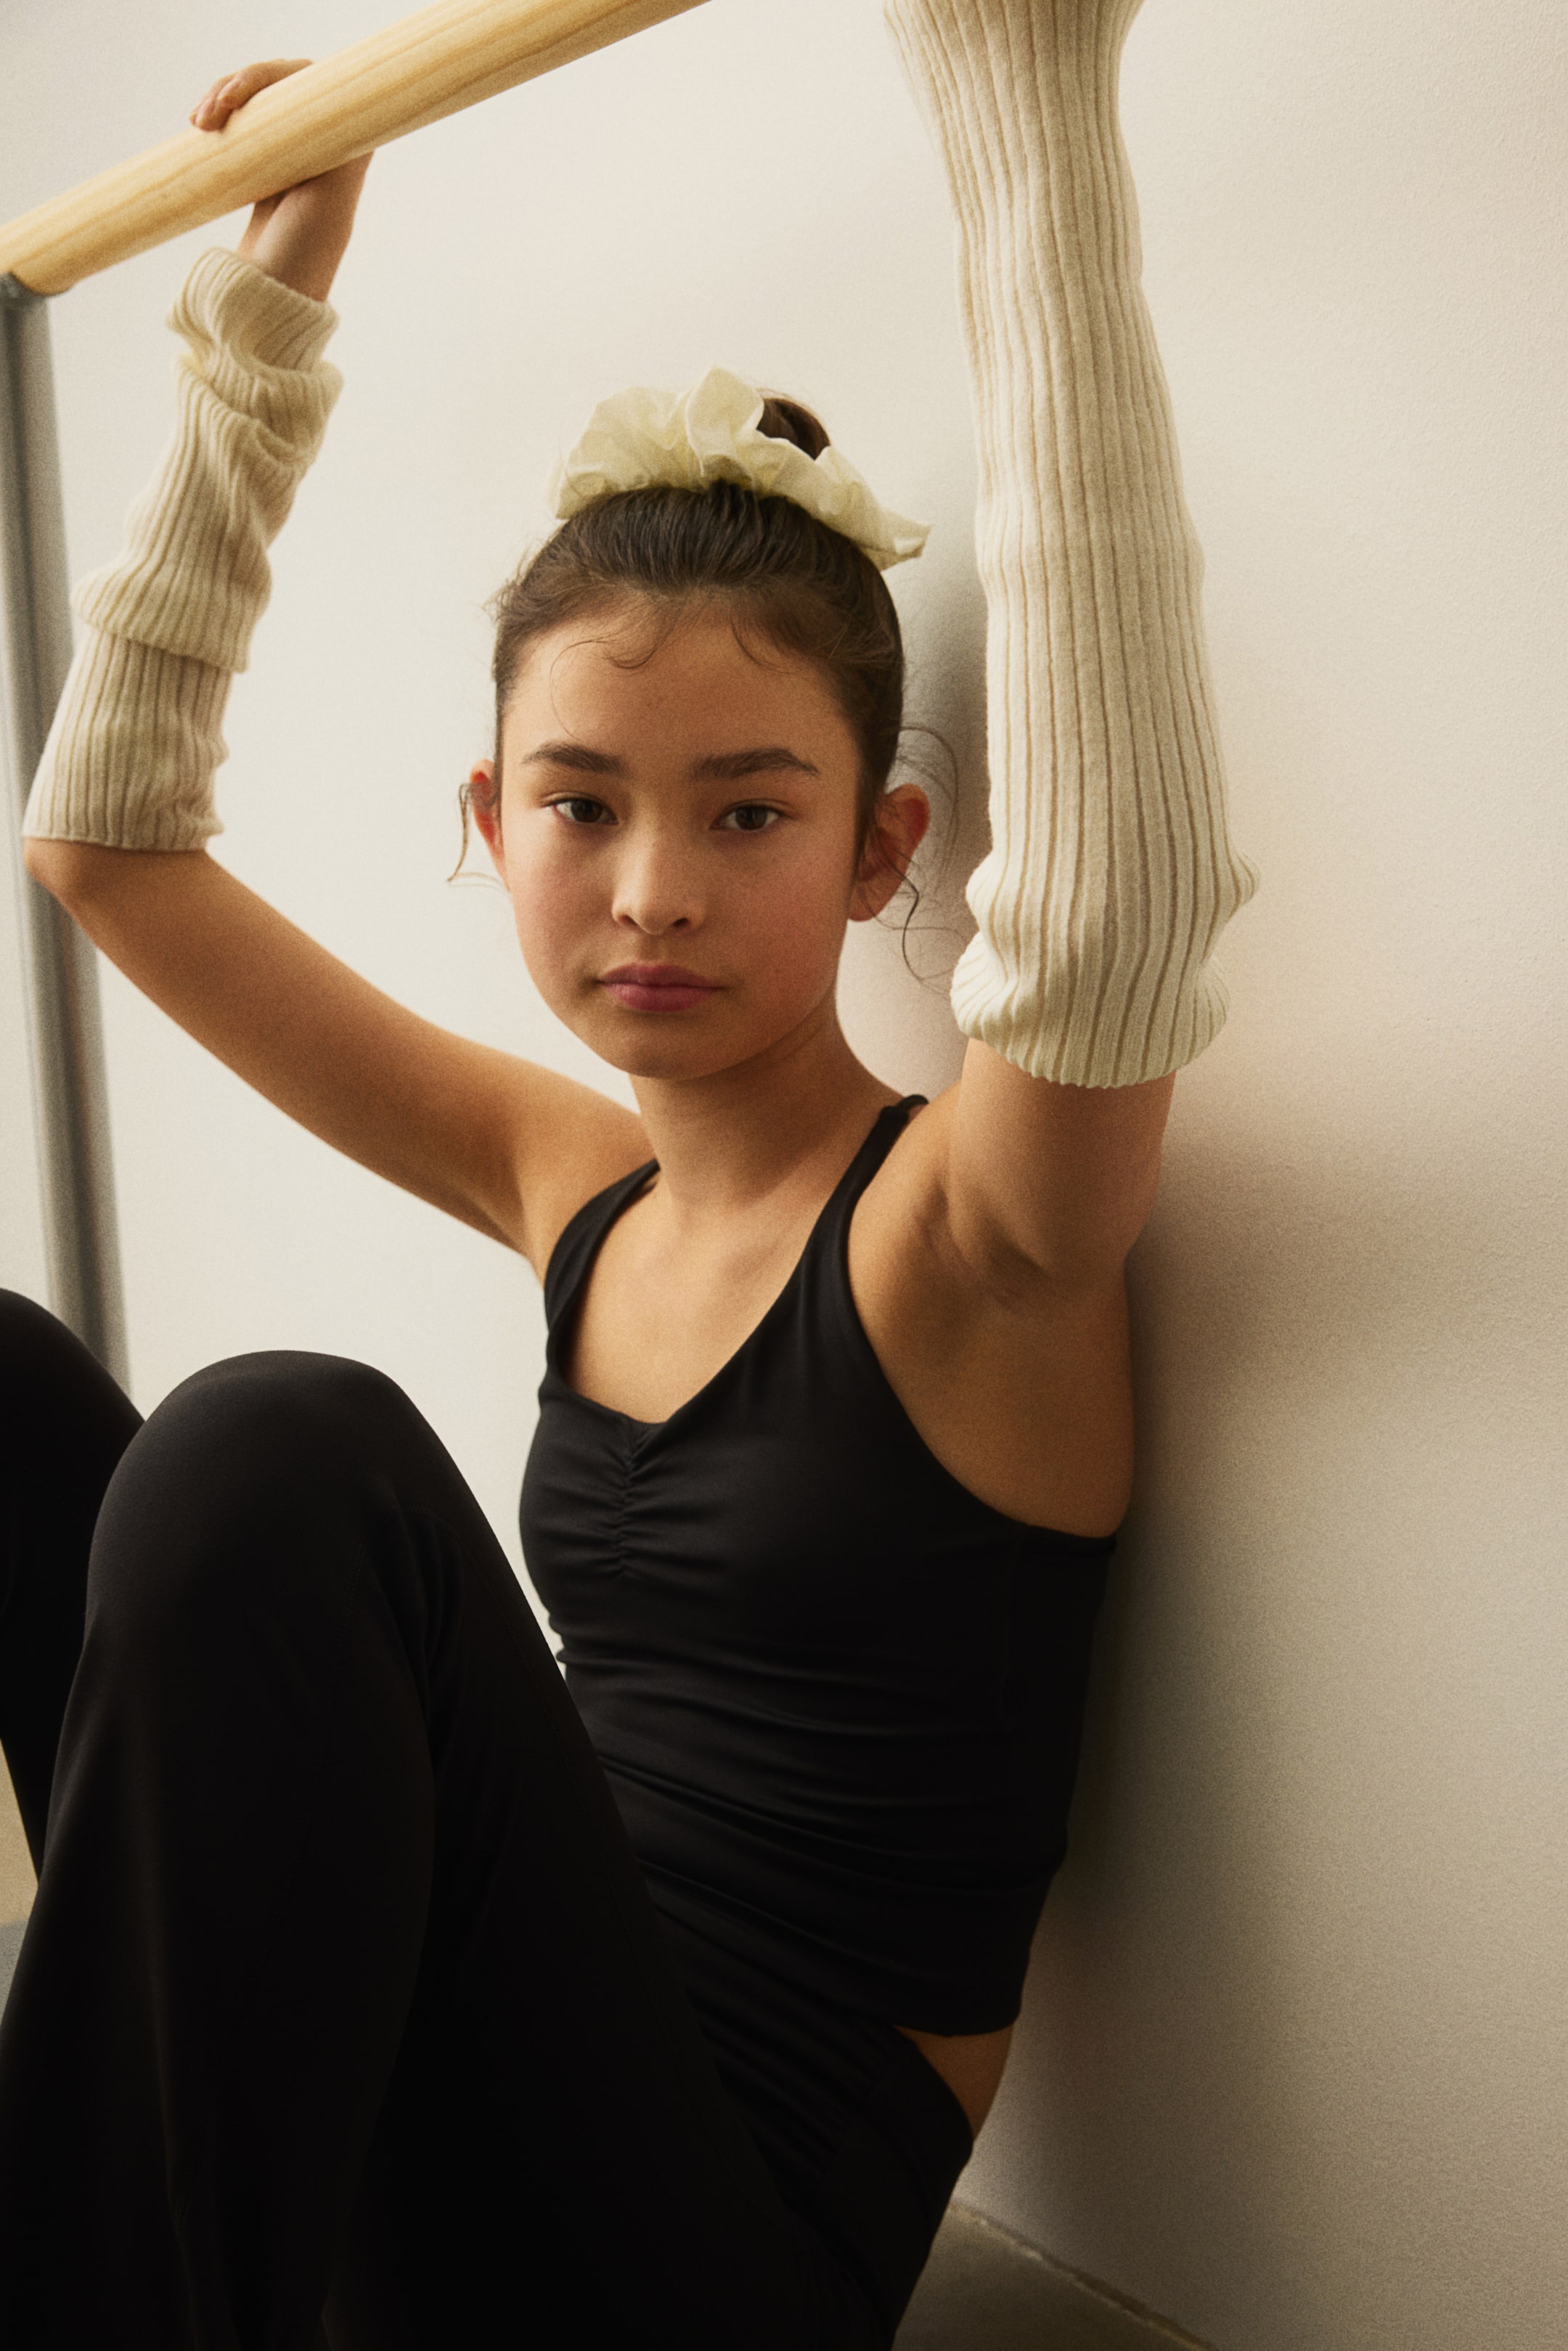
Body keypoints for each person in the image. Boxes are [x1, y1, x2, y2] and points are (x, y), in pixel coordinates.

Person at [0, 4, 1256, 2345]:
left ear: (889, 847)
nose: (655, 884)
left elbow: (1113, 923)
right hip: (449, 2066)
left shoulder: (973, 1245)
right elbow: (106, 842)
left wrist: (1027, 102)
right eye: (583, 802)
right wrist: (280, 290)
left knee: (283, 1444)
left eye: (749, 809)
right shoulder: (572, 1174)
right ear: (498, 828)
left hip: (704, 2246)